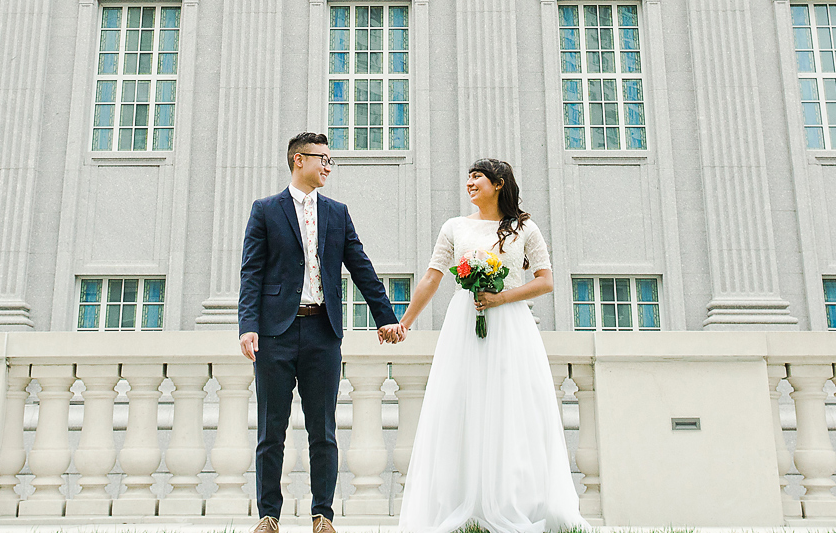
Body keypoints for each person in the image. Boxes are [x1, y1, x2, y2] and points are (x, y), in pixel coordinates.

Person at [395, 158, 584, 533]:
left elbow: (546, 281)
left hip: (511, 325)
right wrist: (405, 322)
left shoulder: (525, 228)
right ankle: (465, 500)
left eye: (476, 178)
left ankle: (513, 498)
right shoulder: (454, 227)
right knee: (460, 403)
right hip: (465, 323)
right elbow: (433, 277)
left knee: (512, 406)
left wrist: (502, 298)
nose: (469, 184)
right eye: (467, 178)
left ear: (498, 184)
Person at [239, 132, 406, 533]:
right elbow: (252, 272)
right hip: (275, 333)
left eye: (331, 160)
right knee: (270, 430)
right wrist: (247, 326)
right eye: (323, 159)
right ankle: (268, 516)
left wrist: (385, 316)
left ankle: (323, 516)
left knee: (323, 430)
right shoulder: (265, 210)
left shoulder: (338, 212)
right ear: (299, 160)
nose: (329, 166)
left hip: (323, 331)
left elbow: (360, 266)